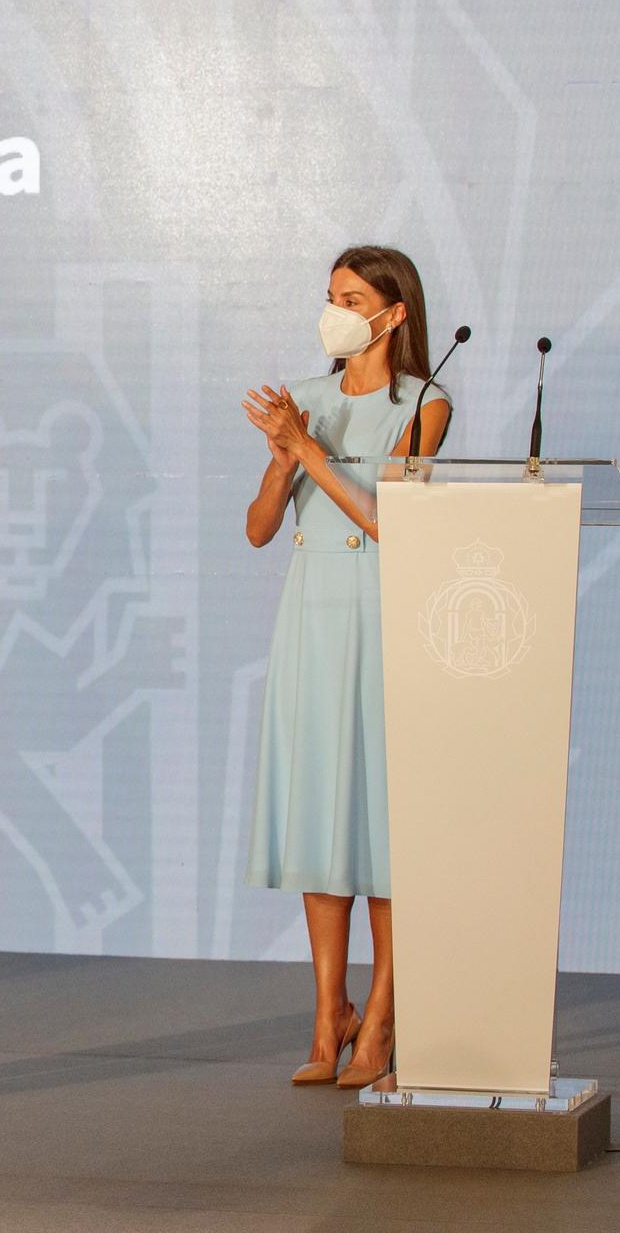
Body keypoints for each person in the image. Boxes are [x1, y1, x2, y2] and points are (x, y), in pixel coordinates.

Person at [241, 245, 451, 1090]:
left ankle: (386, 1020)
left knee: (385, 820)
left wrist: (312, 451)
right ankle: (330, 1016)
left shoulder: (426, 405)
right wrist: (285, 453)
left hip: (386, 610)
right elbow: (258, 528)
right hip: (314, 615)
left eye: (354, 296)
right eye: (331, 295)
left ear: (394, 313)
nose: (336, 309)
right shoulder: (310, 399)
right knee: (323, 817)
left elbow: (391, 518)